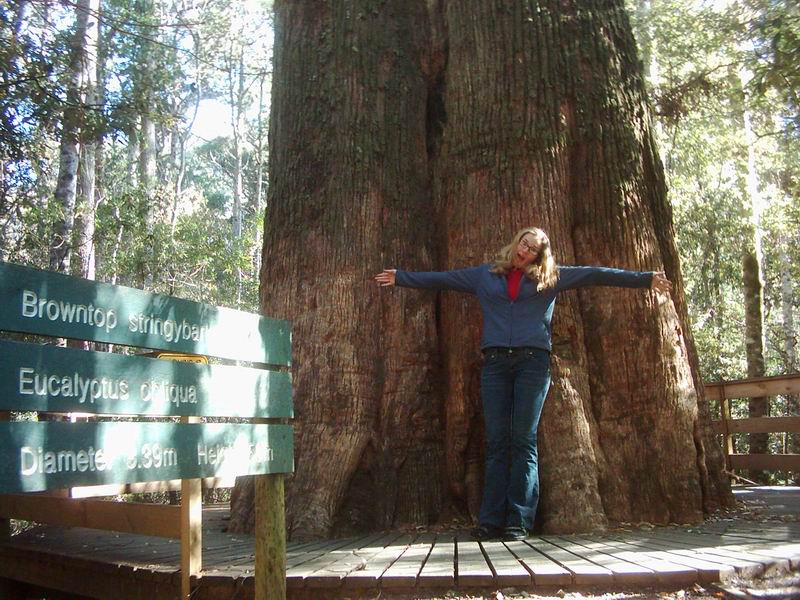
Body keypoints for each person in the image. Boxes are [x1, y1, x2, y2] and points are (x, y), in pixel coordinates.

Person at [374, 227, 672, 542]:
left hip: (533, 363)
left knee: (523, 440)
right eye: (523, 243)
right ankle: (489, 521)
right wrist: (402, 277)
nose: (524, 250)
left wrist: (644, 279)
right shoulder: (485, 275)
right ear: (516, 243)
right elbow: (443, 279)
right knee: (497, 442)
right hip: (496, 365)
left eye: (532, 249)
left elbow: (594, 274)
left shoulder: (552, 278)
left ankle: (518, 521)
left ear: (539, 256)